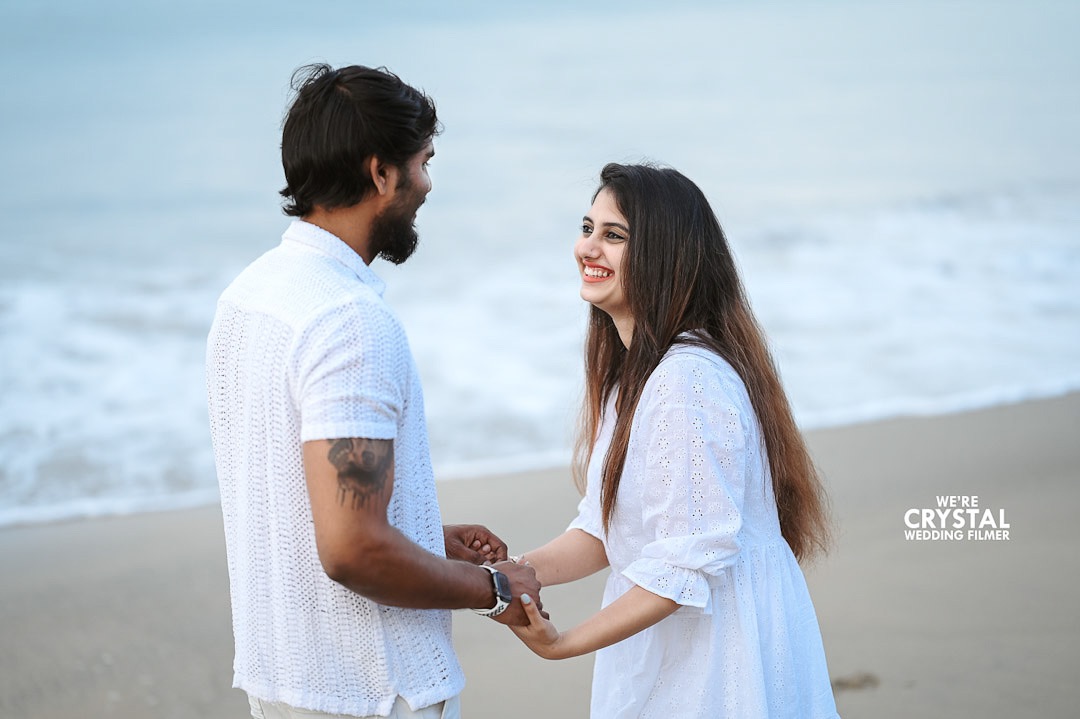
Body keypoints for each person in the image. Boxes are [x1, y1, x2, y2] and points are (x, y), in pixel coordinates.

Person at [205, 64, 541, 719]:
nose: (426, 185)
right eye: (423, 163)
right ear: (381, 173)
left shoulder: (248, 298)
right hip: (372, 688)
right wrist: (494, 586)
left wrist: (421, 531)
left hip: (283, 679)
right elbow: (352, 547)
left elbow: (298, 501)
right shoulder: (348, 323)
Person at [508, 163, 840, 718]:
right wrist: (512, 575)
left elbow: (685, 563)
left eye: (614, 236)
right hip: (679, 642)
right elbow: (605, 529)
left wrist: (564, 644)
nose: (587, 248)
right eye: (587, 228)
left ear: (665, 255)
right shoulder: (637, 374)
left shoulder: (685, 379)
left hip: (717, 658)